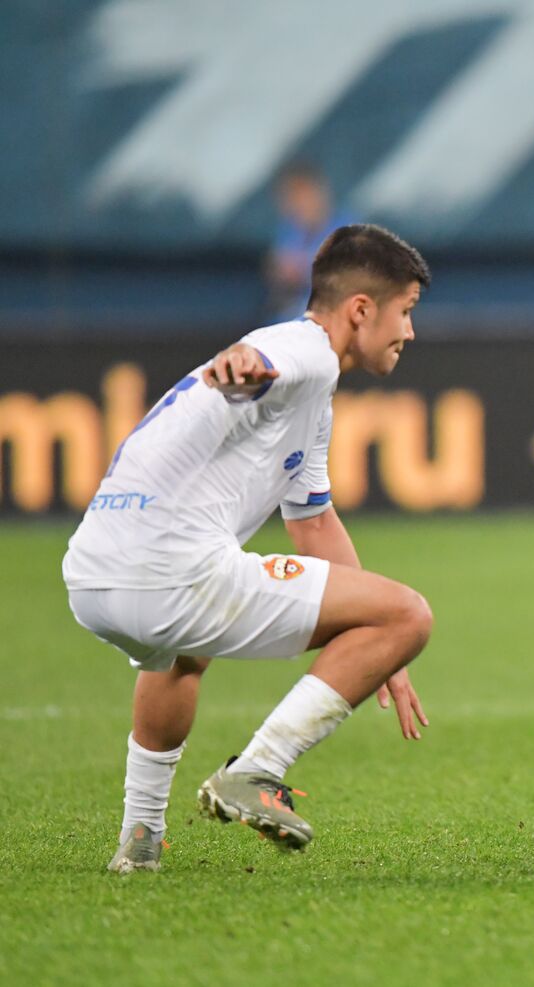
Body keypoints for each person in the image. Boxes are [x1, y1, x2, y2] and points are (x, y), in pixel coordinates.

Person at [64, 224, 434, 873]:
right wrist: (241, 371)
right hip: (167, 568)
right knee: (412, 613)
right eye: (406, 311)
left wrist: (379, 648)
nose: (409, 332)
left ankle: (141, 842)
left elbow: (313, 522)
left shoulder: (313, 394)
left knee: (182, 657)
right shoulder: (302, 352)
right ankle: (257, 770)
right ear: (361, 309)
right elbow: (257, 364)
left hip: (92, 574)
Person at [265, 161, 355, 322]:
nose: (296, 204)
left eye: (301, 194)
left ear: (320, 192)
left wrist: (305, 269)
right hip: (289, 324)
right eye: (289, 197)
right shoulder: (289, 230)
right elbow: (277, 273)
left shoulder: (349, 229)